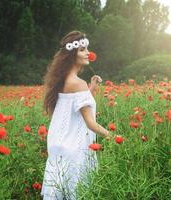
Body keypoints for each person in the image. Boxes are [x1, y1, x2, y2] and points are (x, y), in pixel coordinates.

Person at [41, 30, 111, 200]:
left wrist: (91, 89)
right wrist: (112, 135)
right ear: (72, 54)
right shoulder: (78, 84)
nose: (88, 53)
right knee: (77, 194)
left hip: (58, 146)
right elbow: (90, 123)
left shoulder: (61, 81)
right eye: (83, 49)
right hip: (75, 148)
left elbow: (75, 105)